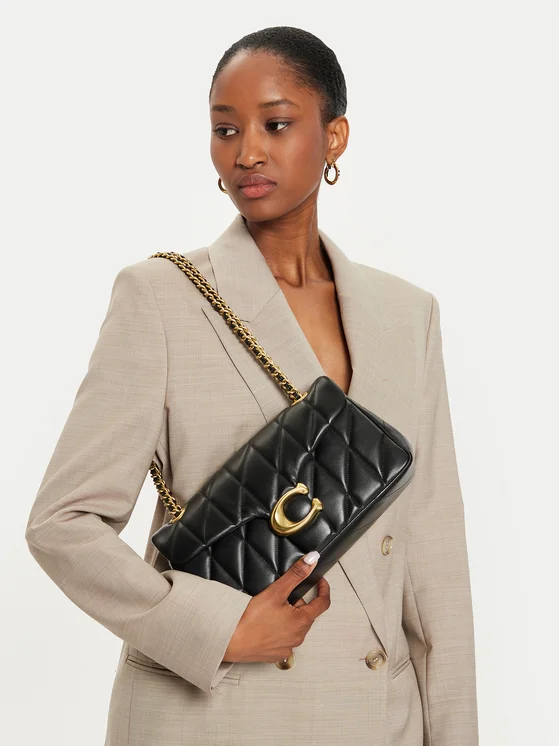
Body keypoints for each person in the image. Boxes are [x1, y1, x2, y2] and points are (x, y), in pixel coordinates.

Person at [25, 25, 479, 746]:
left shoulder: (406, 315)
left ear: (334, 138)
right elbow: (63, 523)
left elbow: (433, 564)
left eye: (276, 124)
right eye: (225, 129)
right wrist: (219, 628)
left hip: (375, 721)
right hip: (212, 713)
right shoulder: (162, 297)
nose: (247, 153)